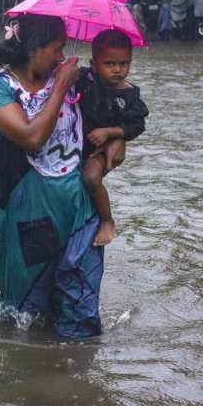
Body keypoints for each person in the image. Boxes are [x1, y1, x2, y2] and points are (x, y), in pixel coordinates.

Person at [0, 14, 104, 339]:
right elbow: (31, 138)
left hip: (77, 207)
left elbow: (110, 120)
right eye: (56, 49)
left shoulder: (75, 81)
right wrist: (60, 86)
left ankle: (77, 366)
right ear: (33, 49)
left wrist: (116, 146)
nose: (62, 57)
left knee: (81, 308)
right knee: (25, 316)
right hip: (25, 211)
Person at [75, 29, 148, 246]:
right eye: (110, 64)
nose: (118, 70)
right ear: (94, 64)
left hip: (103, 149)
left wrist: (111, 133)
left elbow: (137, 125)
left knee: (91, 178)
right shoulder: (85, 79)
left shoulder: (130, 95)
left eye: (124, 64)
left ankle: (107, 220)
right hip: (78, 144)